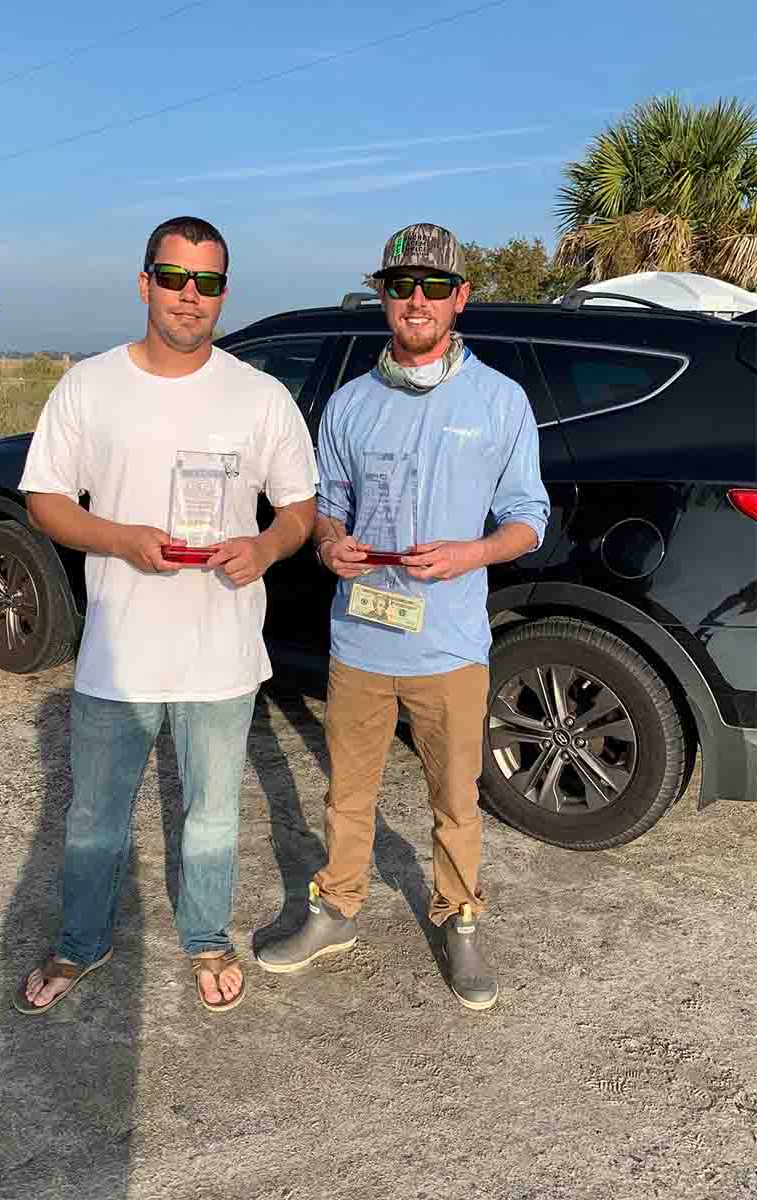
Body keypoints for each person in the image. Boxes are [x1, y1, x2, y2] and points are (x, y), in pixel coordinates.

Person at [14, 216, 317, 1015]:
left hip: (220, 651)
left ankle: (206, 937)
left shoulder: (259, 396)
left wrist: (268, 546)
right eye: (175, 277)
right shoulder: (89, 385)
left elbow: (300, 507)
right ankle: (82, 943)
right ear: (144, 281)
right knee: (94, 814)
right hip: (119, 652)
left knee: (213, 811)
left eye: (208, 282)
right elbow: (44, 500)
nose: (191, 296)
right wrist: (119, 537)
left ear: (223, 292)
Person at [256, 223, 549, 1010]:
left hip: (450, 647)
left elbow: (529, 517)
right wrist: (328, 543)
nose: (414, 301)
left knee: (457, 799)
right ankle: (337, 909)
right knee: (348, 794)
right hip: (359, 642)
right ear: (383, 296)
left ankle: (459, 922)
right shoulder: (351, 404)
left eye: (431, 287)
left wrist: (471, 554)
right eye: (399, 286)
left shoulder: (498, 401)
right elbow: (330, 507)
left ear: (459, 299)